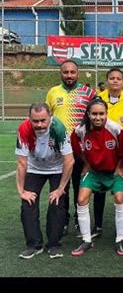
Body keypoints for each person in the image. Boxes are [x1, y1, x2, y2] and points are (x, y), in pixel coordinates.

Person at [70, 98, 123, 256]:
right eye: (94, 114)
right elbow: (76, 146)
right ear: (88, 114)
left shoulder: (116, 129)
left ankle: (120, 239)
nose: (98, 117)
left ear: (106, 114)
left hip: (113, 171)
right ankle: (87, 240)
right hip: (94, 172)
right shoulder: (81, 130)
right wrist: (86, 163)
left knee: (119, 197)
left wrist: (119, 168)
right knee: (81, 199)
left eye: (101, 114)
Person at [16, 103, 74, 259]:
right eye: (35, 121)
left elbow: (69, 161)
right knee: (27, 204)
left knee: (57, 202)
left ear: (50, 117)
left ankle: (53, 244)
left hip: (57, 169)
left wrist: (61, 188)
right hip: (34, 169)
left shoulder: (59, 129)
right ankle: (33, 245)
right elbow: (22, 163)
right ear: (29, 119)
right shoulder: (24, 129)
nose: (40, 125)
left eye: (43, 120)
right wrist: (21, 191)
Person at [45, 60, 95, 237]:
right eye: (65, 72)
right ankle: (63, 220)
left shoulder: (88, 93)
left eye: (72, 72)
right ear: (61, 73)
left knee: (80, 185)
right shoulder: (53, 92)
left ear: (78, 73)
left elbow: (96, 117)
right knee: (62, 187)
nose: (69, 75)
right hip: (59, 151)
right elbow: (47, 118)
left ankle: (79, 219)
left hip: (81, 149)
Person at [95, 68, 123, 239]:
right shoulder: (99, 99)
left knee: (121, 189)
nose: (115, 81)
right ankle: (97, 225)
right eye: (111, 78)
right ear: (106, 81)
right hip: (100, 149)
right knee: (98, 188)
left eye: (118, 78)